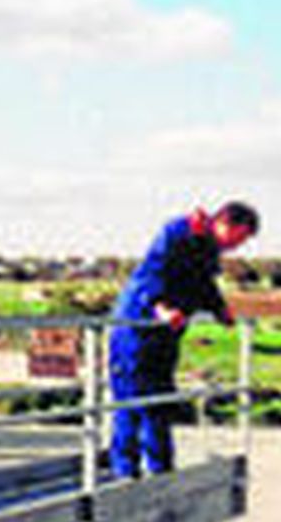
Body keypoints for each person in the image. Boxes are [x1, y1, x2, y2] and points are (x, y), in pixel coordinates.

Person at [107, 200, 260, 477]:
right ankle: (125, 471)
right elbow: (153, 272)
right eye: (237, 239)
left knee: (161, 400)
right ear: (225, 223)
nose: (236, 247)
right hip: (136, 326)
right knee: (130, 400)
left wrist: (220, 310)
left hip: (168, 332)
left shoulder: (209, 247)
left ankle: (160, 469)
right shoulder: (179, 233)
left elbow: (204, 284)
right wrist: (160, 307)